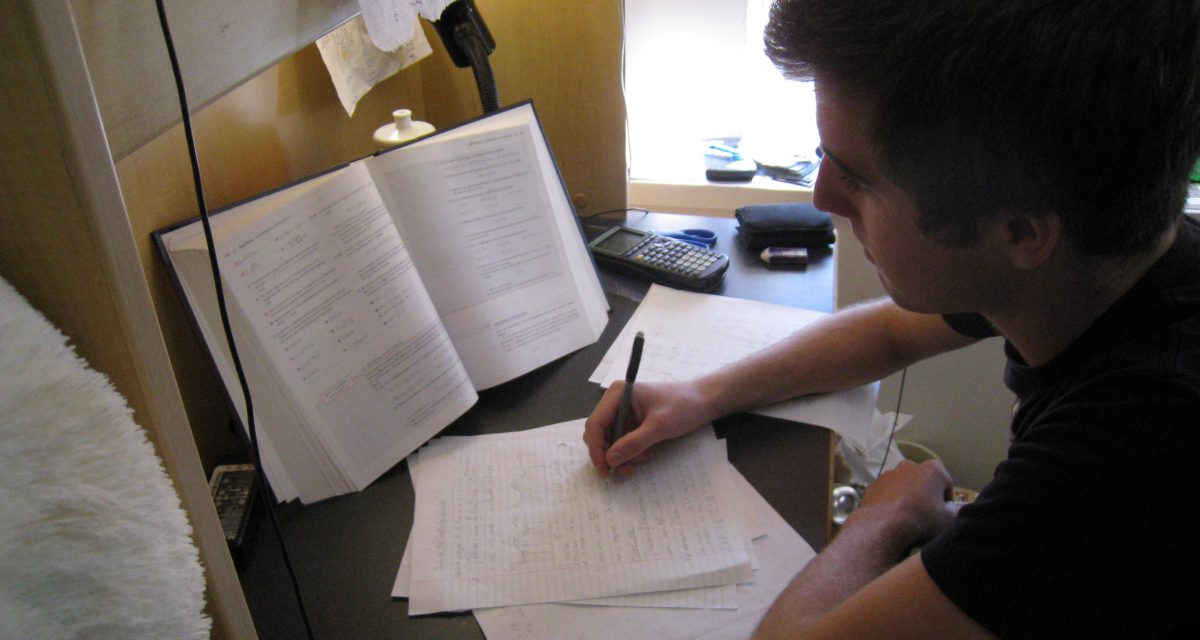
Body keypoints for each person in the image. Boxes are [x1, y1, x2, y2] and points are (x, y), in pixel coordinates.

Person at [583, 1, 1200, 637]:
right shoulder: (1099, 259)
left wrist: (884, 519)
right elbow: (883, 334)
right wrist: (702, 393)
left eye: (857, 178)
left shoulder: (1129, 459)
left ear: (1020, 231)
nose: (822, 197)